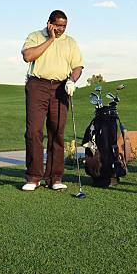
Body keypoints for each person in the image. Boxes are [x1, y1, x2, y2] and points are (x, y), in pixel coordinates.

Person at [20, 10, 84, 191]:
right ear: (49, 23)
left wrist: (72, 80)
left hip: (61, 88)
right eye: (58, 26)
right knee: (33, 131)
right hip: (37, 85)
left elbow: (78, 66)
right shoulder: (35, 36)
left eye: (64, 26)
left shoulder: (70, 42)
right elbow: (28, 56)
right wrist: (50, 39)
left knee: (57, 131)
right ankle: (33, 177)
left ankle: (55, 178)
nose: (61, 29)